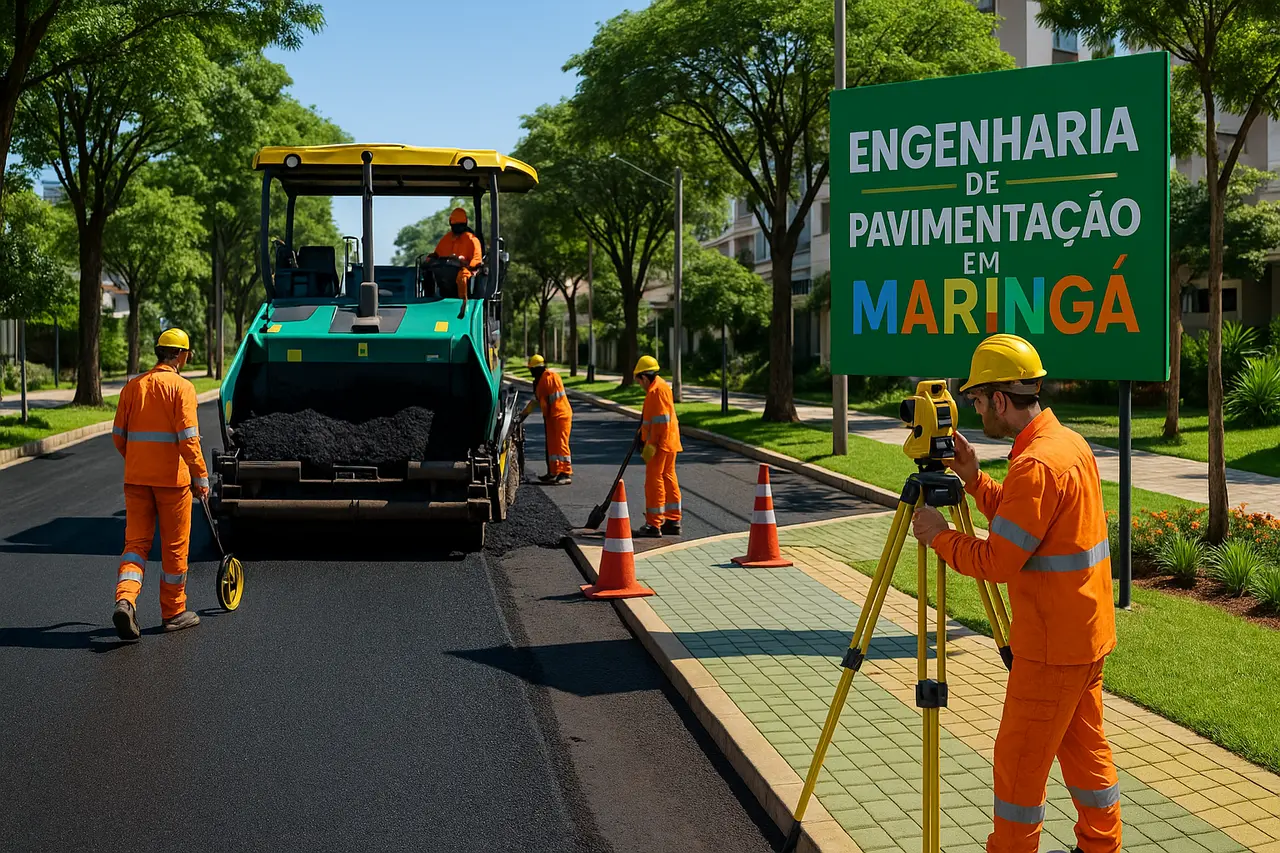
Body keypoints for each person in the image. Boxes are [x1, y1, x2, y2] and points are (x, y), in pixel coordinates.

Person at [909, 333, 1120, 853]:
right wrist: (976, 481)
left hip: (1050, 648)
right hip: (1085, 636)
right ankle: (1102, 845)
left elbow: (998, 561)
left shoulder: (1035, 466)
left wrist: (939, 535)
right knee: (1085, 753)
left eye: (977, 399)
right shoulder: (1067, 445)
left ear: (1000, 399)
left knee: (1019, 767)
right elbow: (1029, 528)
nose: (974, 409)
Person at [110, 328, 209, 640]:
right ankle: (174, 612)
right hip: (172, 483)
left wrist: (139, 460)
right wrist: (201, 478)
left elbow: (118, 437)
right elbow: (189, 440)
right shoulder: (182, 389)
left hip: (137, 480)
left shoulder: (133, 387)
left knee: (135, 545)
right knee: (174, 547)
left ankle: (125, 600)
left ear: (158, 352)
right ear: (182, 355)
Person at [634, 355, 682, 538]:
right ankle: (673, 520)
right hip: (669, 441)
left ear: (644, 377)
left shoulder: (655, 392)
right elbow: (654, 419)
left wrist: (651, 444)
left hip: (660, 443)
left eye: (639, 381)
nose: (640, 385)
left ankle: (654, 524)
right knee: (668, 477)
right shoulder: (662, 387)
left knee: (654, 481)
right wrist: (642, 434)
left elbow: (661, 422)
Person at [520, 354, 573, 485]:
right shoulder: (545, 378)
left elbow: (540, 401)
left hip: (560, 415)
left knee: (561, 444)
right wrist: (522, 415)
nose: (531, 372)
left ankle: (565, 473)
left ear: (536, 369)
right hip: (552, 416)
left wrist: (522, 416)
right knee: (552, 446)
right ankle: (554, 472)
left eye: (531, 369)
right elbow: (537, 401)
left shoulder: (546, 379)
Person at [429, 207, 483, 298]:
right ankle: (430, 300)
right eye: (455, 225)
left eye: (460, 225)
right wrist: (429, 260)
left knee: (463, 276)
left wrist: (465, 263)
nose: (457, 228)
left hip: (464, 272)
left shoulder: (472, 239)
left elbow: (477, 260)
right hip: (446, 273)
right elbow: (436, 255)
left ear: (465, 224)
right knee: (429, 272)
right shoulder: (446, 239)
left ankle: (463, 304)